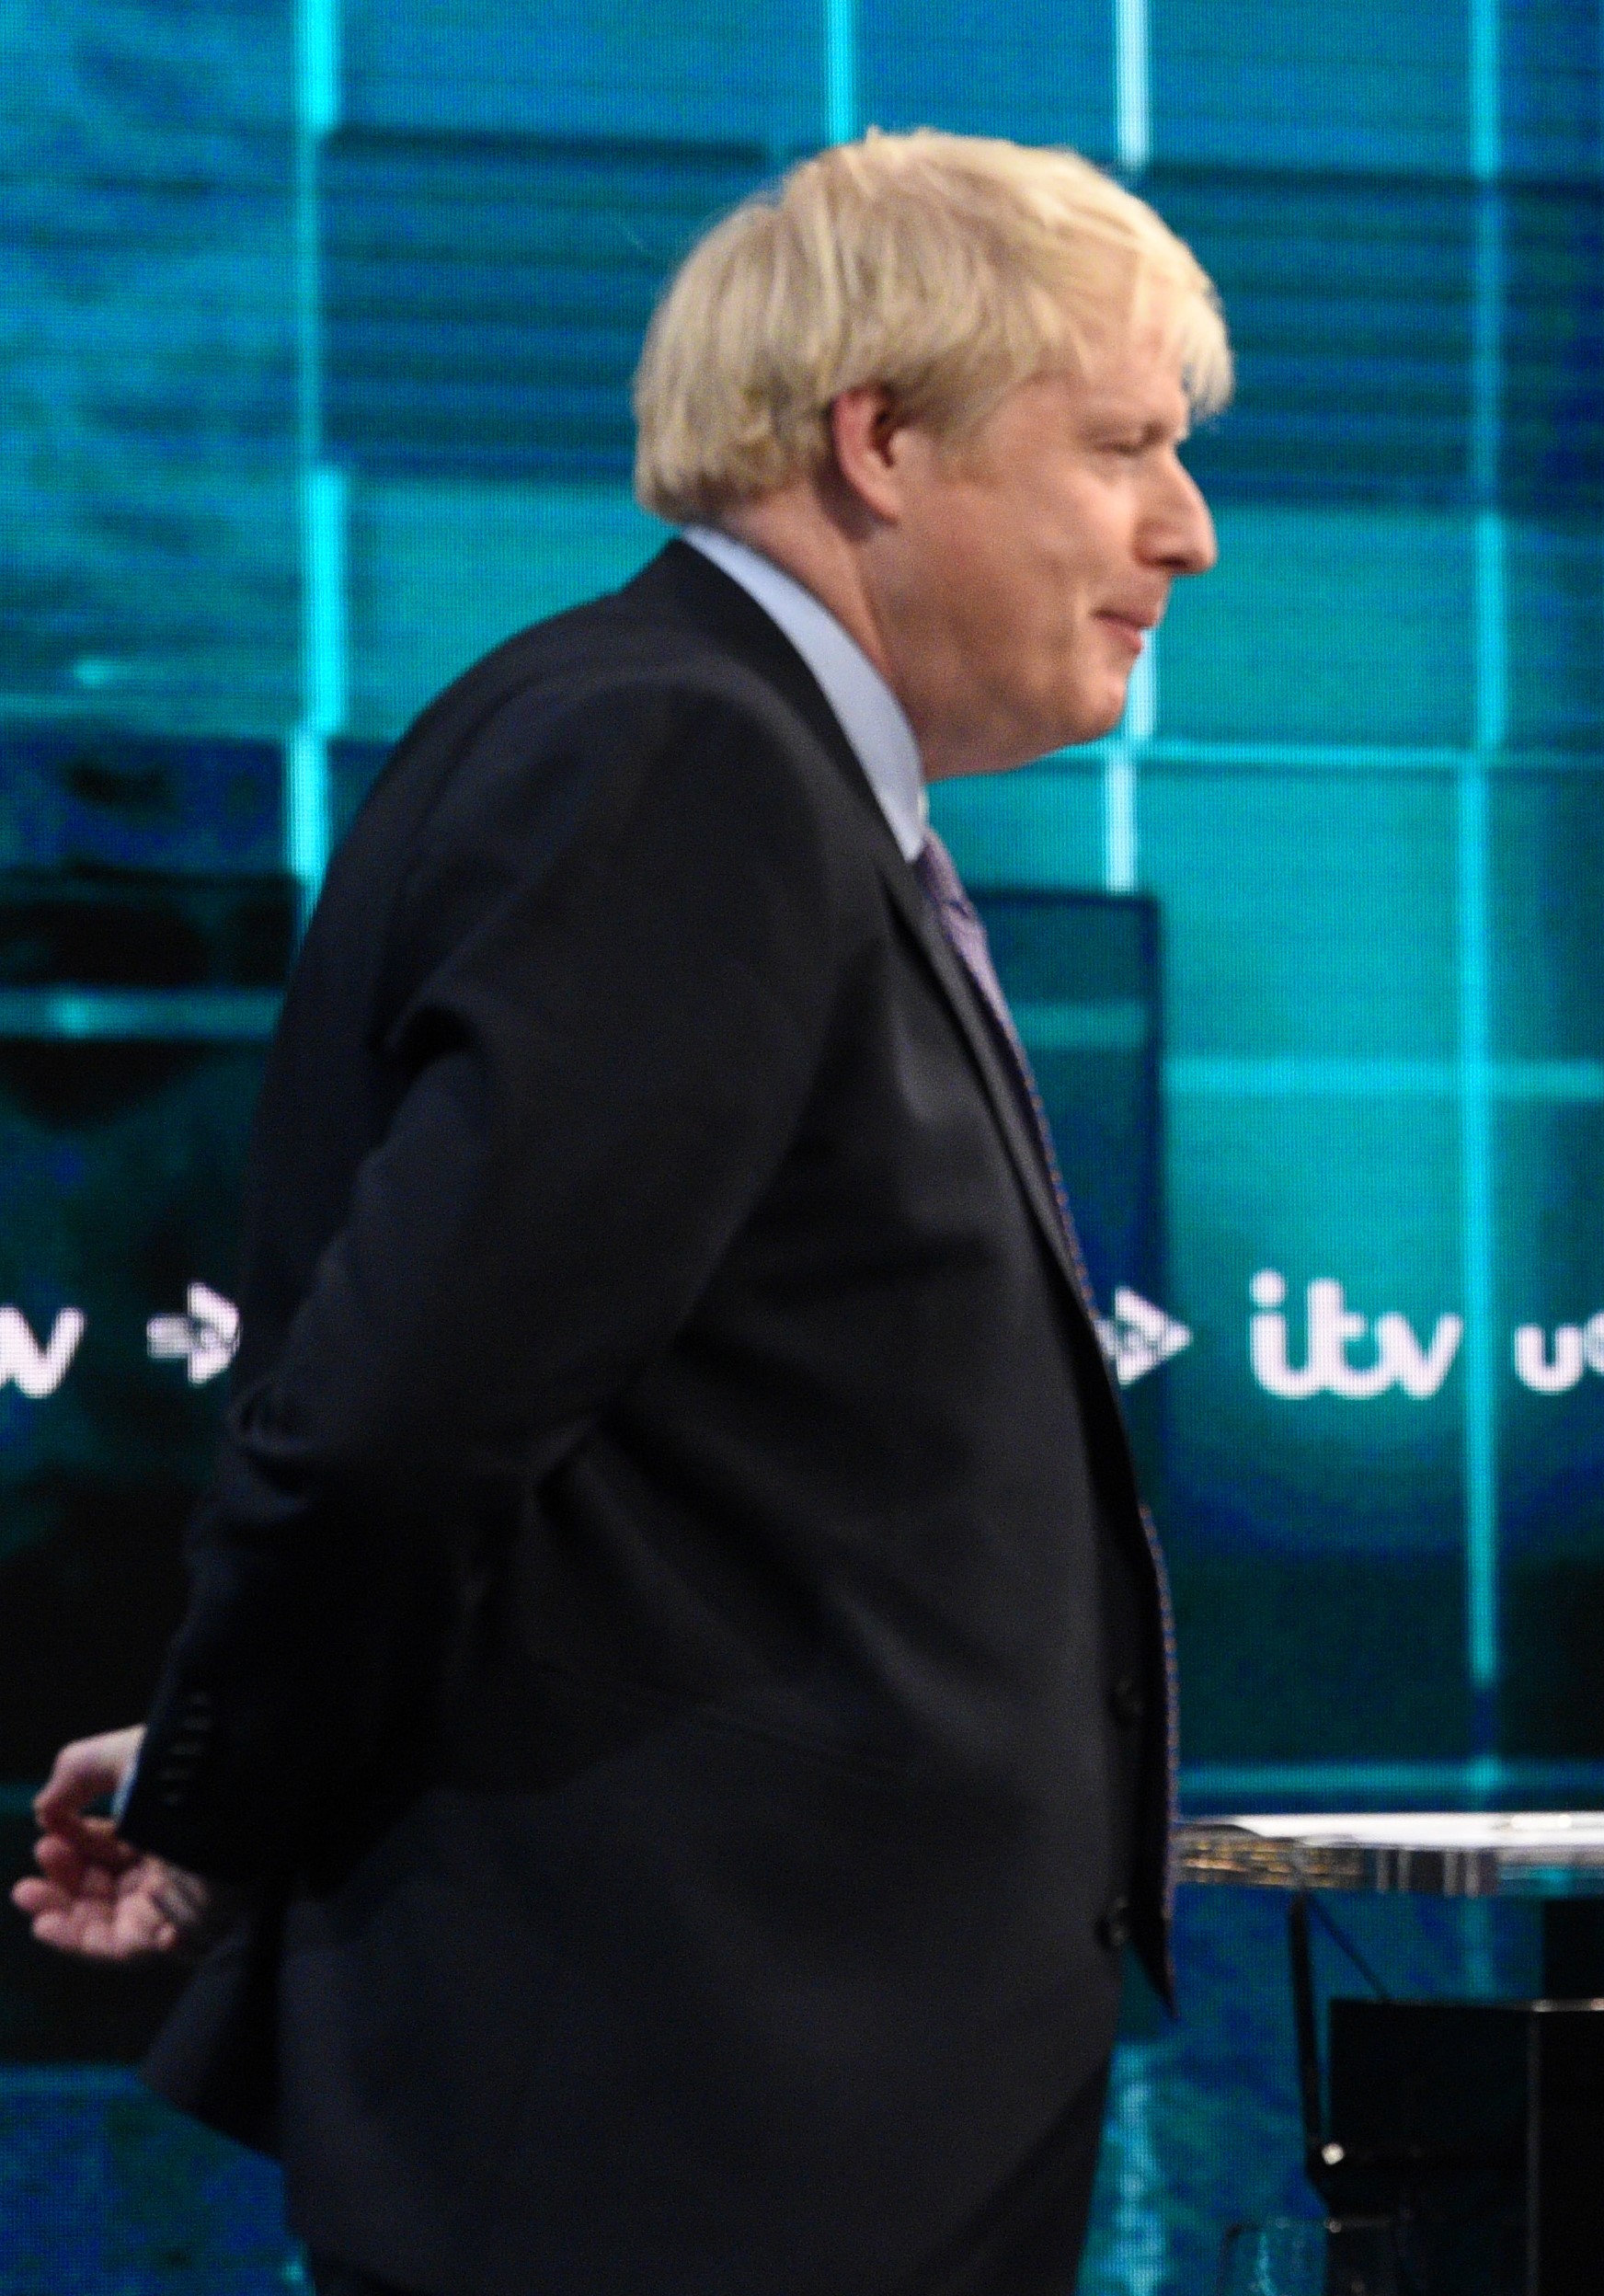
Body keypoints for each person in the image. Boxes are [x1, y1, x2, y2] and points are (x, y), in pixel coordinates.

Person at [11, 130, 1221, 2296]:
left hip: (756, 2111)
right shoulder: (685, 764)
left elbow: (622, 1472)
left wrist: (230, 1752)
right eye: (1125, 447)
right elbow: (406, 1417)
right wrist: (218, 1785)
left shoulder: (715, 755)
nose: (1188, 529)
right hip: (701, 2133)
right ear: (880, 439)